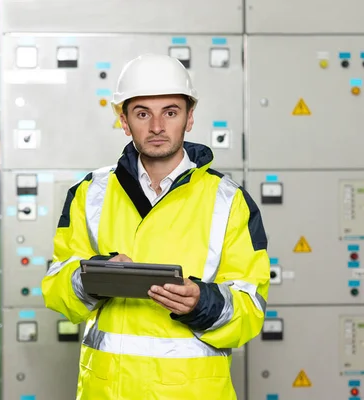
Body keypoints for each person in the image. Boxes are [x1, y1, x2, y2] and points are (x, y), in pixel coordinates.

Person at [41, 53, 270, 399]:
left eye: (171, 112)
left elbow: (250, 309)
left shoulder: (229, 200)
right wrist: (94, 276)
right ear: (124, 120)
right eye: (143, 113)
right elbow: (56, 288)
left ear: (190, 118)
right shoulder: (90, 194)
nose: (158, 127)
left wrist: (200, 303)